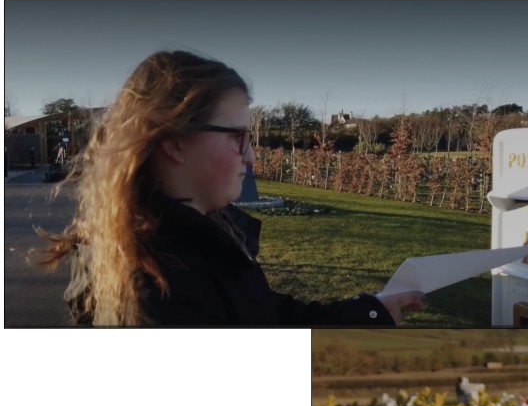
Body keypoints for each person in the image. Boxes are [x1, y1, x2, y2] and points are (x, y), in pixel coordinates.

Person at [38, 50, 423, 326]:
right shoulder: (158, 285)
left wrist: (371, 310)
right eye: (238, 137)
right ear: (174, 142)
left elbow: (269, 315)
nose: (252, 157)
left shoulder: (200, 237)